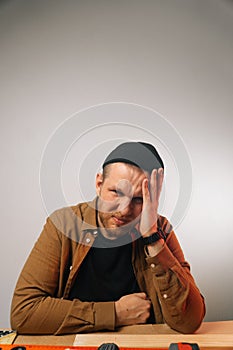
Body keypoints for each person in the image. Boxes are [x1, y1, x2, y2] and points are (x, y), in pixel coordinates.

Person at [10, 141, 205, 335]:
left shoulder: (159, 229)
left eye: (139, 199)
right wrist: (116, 313)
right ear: (99, 184)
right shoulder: (65, 225)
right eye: (116, 192)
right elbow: (23, 313)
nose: (124, 210)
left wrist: (152, 238)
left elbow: (190, 322)